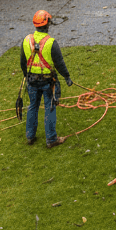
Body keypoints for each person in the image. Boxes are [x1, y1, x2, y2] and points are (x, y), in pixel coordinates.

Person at [20, 9, 72, 148]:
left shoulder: (26, 40)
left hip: (32, 80)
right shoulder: (50, 43)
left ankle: (30, 136)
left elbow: (22, 62)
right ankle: (51, 139)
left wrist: (27, 76)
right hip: (47, 82)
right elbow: (59, 63)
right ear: (47, 24)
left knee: (33, 106)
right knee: (49, 108)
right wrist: (67, 77)